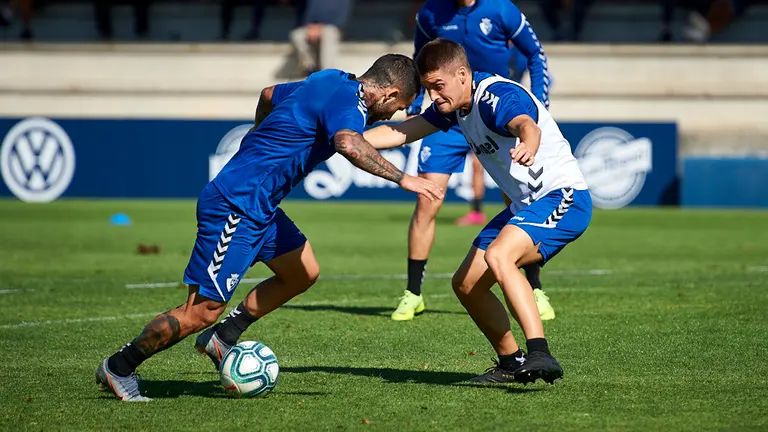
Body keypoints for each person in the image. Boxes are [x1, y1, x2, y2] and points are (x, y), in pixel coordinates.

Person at [96, 54, 444, 401]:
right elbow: (348, 143)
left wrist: (258, 133)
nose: (395, 114)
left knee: (302, 272)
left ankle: (224, 337)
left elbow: (268, 94)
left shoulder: (330, 78)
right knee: (201, 311)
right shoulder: (350, 103)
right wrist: (404, 179)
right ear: (389, 93)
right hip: (236, 206)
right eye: (400, 106)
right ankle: (120, 366)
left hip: (261, 208)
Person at [364, 39, 592, 384]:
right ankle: (510, 363)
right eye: (427, 89)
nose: (434, 97)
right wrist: (345, 138)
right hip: (526, 205)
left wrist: (529, 144)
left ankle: (540, 353)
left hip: (564, 196)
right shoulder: (452, 106)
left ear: (461, 74)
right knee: (467, 284)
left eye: (438, 86)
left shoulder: (494, 94)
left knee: (500, 256)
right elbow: (401, 132)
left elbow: (526, 124)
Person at [393, 0, 555, 323]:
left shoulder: (501, 9)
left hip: (493, 114)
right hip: (446, 117)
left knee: (520, 200)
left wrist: (540, 103)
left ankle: (534, 286)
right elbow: (419, 61)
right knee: (427, 199)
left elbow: (536, 54)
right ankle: (413, 293)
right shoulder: (430, 13)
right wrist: (414, 103)